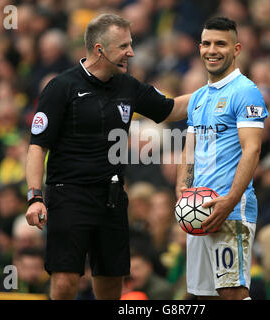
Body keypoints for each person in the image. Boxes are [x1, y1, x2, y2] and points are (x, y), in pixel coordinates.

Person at [25, 13, 191, 300]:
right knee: (65, 281)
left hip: (112, 198)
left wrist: (218, 89)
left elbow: (173, 109)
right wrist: (35, 196)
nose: (132, 52)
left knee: (112, 283)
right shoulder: (61, 87)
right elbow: (37, 145)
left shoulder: (128, 85)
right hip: (69, 196)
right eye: (124, 46)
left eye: (131, 44)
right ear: (100, 50)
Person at [176, 17, 268, 300]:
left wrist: (230, 201)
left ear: (237, 48)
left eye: (220, 44)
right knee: (203, 294)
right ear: (199, 47)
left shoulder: (246, 91)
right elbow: (189, 149)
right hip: (199, 208)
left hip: (231, 208)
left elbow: (252, 150)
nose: (212, 50)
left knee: (232, 292)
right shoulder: (199, 97)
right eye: (206, 43)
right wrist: (181, 191)